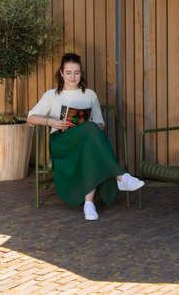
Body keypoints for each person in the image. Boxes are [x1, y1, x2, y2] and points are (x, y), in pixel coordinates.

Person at [27, 52, 144, 221]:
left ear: (81, 73)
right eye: (68, 73)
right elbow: (30, 118)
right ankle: (120, 176)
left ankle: (89, 204)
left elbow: (100, 125)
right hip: (61, 142)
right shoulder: (51, 95)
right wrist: (51, 122)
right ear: (61, 73)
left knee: (89, 139)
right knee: (89, 129)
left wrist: (86, 126)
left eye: (76, 73)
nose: (73, 77)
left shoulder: (90, 94)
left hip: (85, 140)